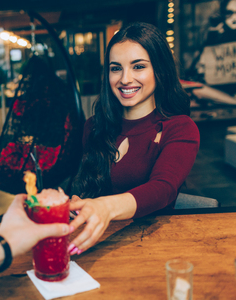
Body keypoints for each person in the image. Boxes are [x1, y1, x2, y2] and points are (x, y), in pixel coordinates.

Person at [68, 22, 200, 255]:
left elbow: (163, 189)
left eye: (138, 66)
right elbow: (88, 188)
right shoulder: (93, 127)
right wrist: (78, 204)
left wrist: (105, 207)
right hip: (98, 246)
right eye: (116, 68)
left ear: (160, 70)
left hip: (156, 247)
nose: (125, 79)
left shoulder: (180, 128)